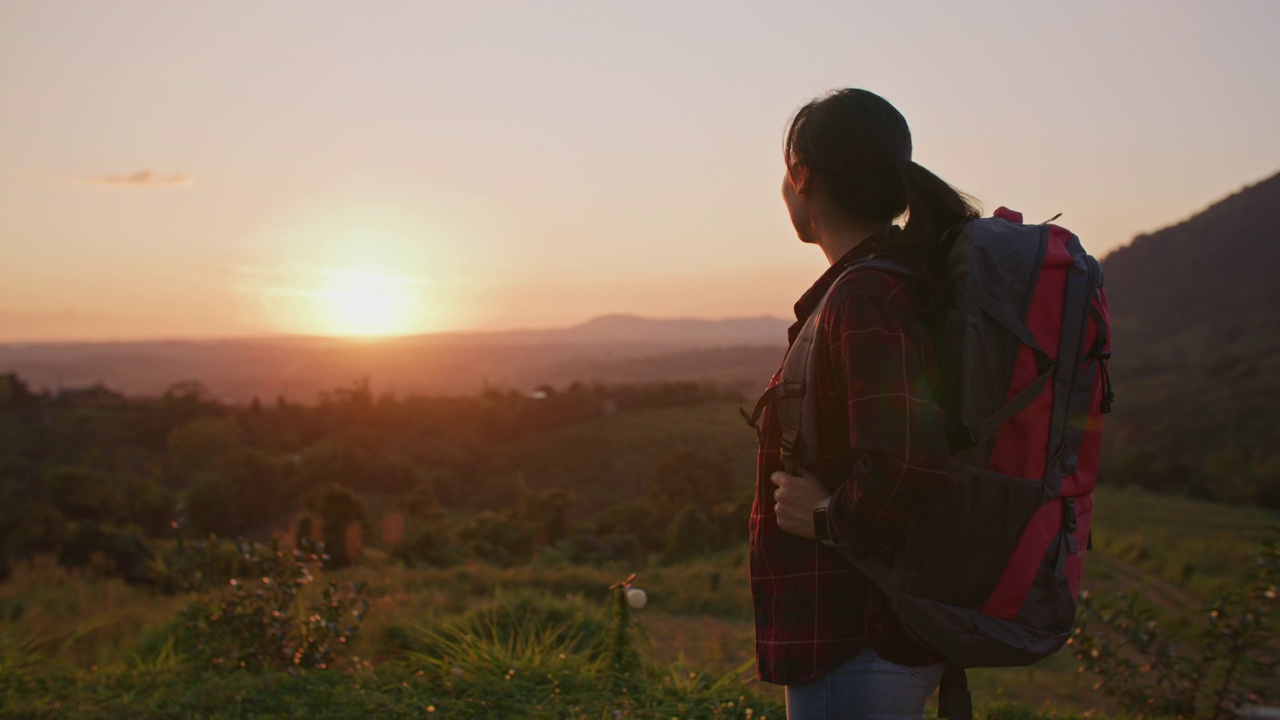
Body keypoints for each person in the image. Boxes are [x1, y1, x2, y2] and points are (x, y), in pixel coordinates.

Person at [749, 88, 980, 720]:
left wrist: (824, 515)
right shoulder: (893, 280)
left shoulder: (864, 295)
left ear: (802, 175)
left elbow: (909, 460)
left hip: (855, 644)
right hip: (873, 637)